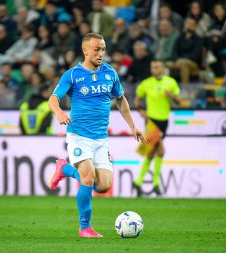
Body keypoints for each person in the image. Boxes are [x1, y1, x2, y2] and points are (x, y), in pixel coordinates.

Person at [47, 33, 146, 238]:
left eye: (103, 49)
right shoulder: (73, 75)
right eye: (96, 49)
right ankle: (85, 228)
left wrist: (133, 126)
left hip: (101, 138)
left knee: (103, 186)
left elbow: (121, 100)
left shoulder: (110, 73)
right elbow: (53, 99)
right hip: (79, 136)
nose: (100, 53)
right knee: (88, 178)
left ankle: (64, 168)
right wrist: (59, 112)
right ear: (85, 50)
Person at [132, 60, 181, 197]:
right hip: (152, 121)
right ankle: (155, 184)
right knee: (160, 151)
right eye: (153, 67)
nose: (155, 69)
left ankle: (138, 182)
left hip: (164, 121)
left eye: (157, 67)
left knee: (152, 152)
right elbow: (137, 99)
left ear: (163, 68)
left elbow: (179, 101)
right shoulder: (146, 83)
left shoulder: (170, 82)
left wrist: (171, 96)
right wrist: (141, 110)